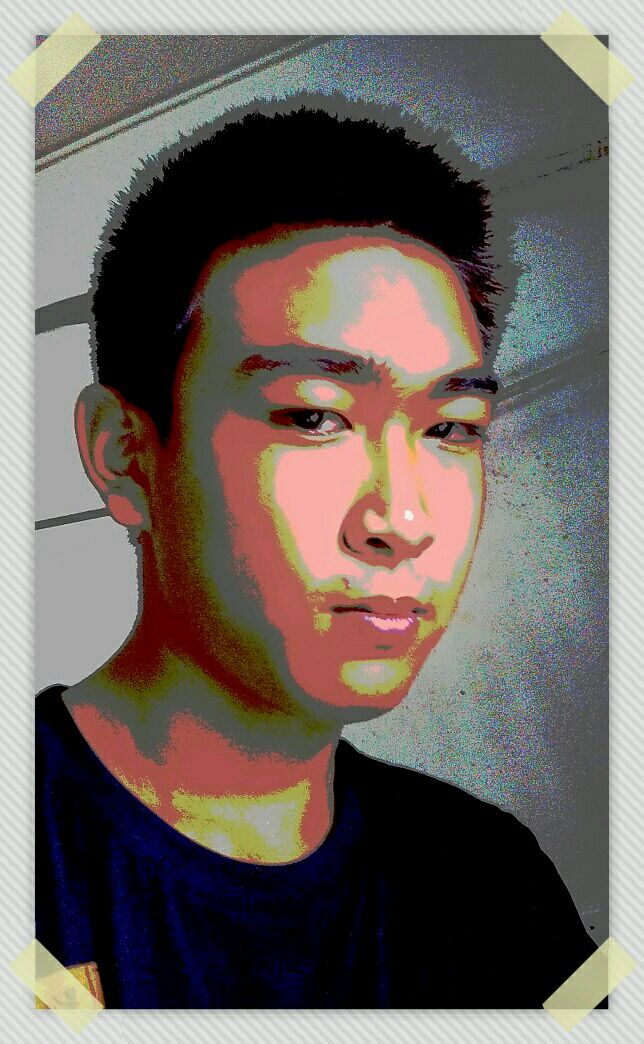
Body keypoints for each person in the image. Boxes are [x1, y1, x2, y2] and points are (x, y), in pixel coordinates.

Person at [36, 98, 598, 1009]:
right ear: (126, 455)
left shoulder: (493, 884)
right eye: (312, 416)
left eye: (452, 426)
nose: (402, 520)